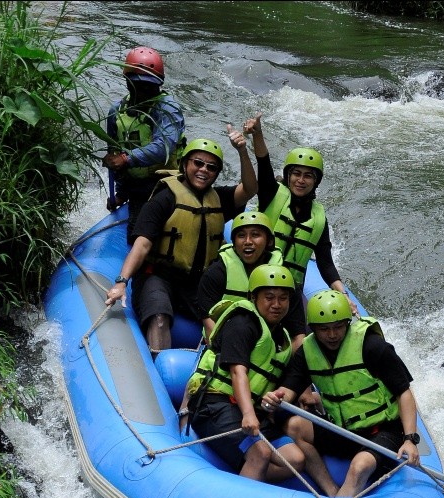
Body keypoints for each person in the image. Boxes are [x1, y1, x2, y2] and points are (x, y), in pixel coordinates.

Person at [104, 131, 258, 356]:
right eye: (198, 163)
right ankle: (157, 372)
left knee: (229, 320)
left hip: (198, 281)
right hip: (158, 276)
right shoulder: (163, 199)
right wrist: (121, 282)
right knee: (158, 318)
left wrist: (243, 151)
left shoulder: (220, 199)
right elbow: (142, 245)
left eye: (211, 167)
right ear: (185, 164)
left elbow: (250, 189)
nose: (204, 170)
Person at [263, 289, 421, 498]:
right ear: (314, 329)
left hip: (382, 431)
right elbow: (288, 390)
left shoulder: (372, 346)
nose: (332, 335)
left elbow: (404, 393)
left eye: (338, 327)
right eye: (324, 329)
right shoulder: (307, 352)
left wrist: (410, 439)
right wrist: (274, 399)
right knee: (294, 426)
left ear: (347, 323)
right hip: (342, 430)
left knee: (359, 466)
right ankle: (331, 490)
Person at [242, 114, 357, 347]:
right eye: (296, 174)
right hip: (255, 281)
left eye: (308, 176)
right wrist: (258, 134)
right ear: (288, 176)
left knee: (301, 337)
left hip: (290, 292)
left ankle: (294, 378)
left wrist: (343, 294)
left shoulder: (319, 218)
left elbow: (325, 262)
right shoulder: (273, 194)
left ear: (316, 182)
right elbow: (264, 163)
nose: (301, 180)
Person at [185, 265, 306, 483]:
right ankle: (244, 493)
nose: (276, 305)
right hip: (215, 404)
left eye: (283, 298)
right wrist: (249, 414)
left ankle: (248, 473)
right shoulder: (242, 323)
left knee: (295, 460)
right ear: (254, 297)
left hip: (250, 411)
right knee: (260, 453)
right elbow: (237, 371)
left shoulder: (281, 336)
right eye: (269, 297)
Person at [103, 46, 187, 243]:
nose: (146, 90)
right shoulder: (116, 111)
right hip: (136, 186)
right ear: (127, 83)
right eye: (139, 85)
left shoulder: (168, 108)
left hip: (167, 184)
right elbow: (115, 155)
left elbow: (162, 148)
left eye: (151, 85)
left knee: (140, 233)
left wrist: (126, 159)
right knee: (134, 230)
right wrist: (120, 194)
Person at [195, 209, 306, 344]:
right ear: (234, 243)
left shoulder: (284, 277)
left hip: (269, 345)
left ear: (269, 241)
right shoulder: (216, 273)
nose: (248, 241)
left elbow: (298, 335)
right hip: (226, 345)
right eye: (241, 236)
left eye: (255, 235)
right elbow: (209, 326)